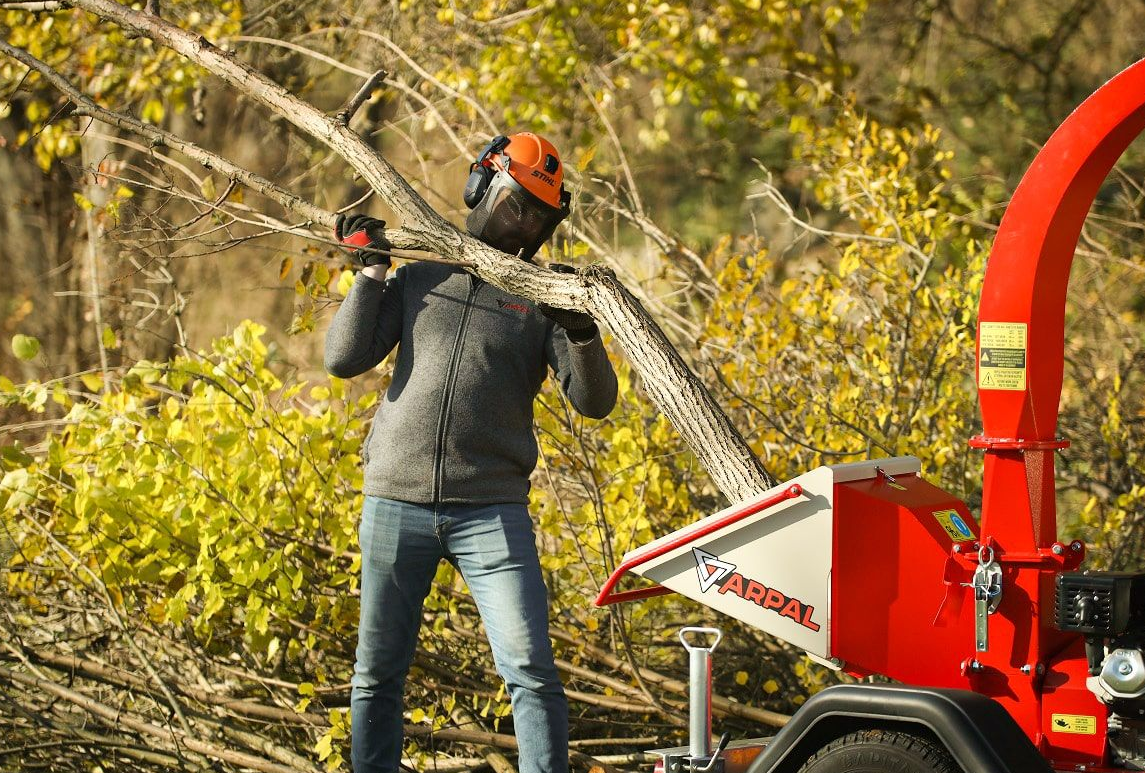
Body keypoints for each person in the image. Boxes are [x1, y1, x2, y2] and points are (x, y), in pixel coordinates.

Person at [324, 131, 618, 773]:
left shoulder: (542, 295)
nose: (524, 225)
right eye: (516, 205)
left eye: (538, 217)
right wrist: (369, 271)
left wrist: (581, 328)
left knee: (530, 669)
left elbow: (595, 402)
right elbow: (343, 357)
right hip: (394, 501)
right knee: (377, 673)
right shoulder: (419, 273)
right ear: (481, 187)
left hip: (491, 510)